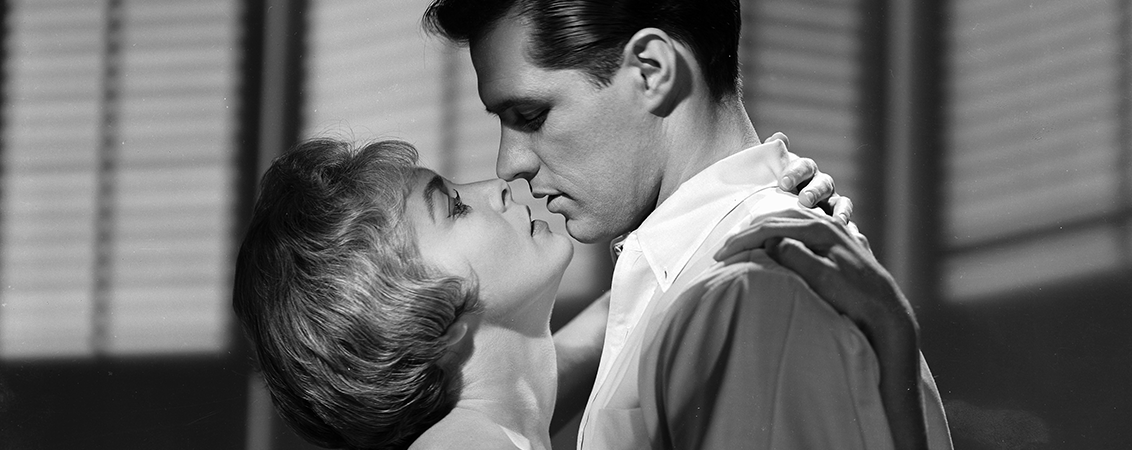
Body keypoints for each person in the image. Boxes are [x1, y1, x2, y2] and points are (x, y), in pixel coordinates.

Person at [421, 0, 953, 449]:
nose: (508, 164)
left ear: (651, 71)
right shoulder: (706, 281)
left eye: (531, 116)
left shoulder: (755, 290)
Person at [232, 137, 835, 449]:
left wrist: (752, 218)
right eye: (455, 206)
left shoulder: (499, 416)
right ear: (417, 318)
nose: (497, 184)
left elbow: (627, 316)